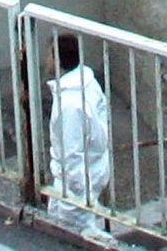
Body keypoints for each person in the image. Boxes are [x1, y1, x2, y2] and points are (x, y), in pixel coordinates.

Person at [46, 34, 114, 241]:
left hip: (74, 191)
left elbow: (72, 155)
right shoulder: (89, 85)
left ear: (57, 60)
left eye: (49, 55)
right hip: (92, 176)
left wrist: (76, 195)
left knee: (71, 237)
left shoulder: (69, 104)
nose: (45, 60)